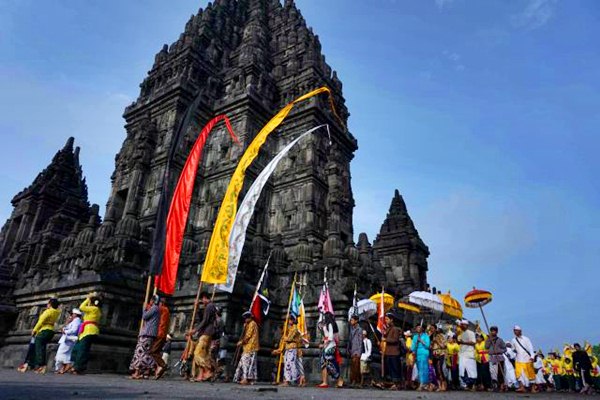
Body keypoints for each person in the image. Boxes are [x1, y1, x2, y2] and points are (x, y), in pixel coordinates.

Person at [69, 293, 102, 374]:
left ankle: (78, 367)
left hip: (88, 330)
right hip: (88, 330)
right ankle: (77, 366)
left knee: (82, 350)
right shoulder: (95, 310)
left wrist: (88, 299)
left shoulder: (94, 309)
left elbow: (81, 307)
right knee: (82, 349)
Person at [130, 294, 160, 379]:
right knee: (147, 353)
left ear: (153, 301)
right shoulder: (157, 309)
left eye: (151, 300)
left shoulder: (154, 308)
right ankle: (147, 371)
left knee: (140, 352)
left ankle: (137, 372)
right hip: (151, 334)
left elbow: (145, 316)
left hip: (147, 333)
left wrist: (144, 308)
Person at [190, 291, 217, 382]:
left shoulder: (210, 306)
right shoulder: (208, 307)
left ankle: (210, 369)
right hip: (205, 332)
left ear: (205, 297)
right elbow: (201, 319)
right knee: (203, 354)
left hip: (206, 333)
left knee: (197, 354)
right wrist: (197, 308)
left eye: (202, 299)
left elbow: (205, 321)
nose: (202, 301)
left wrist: (195, 330)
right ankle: (201, 375)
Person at [30, 298, 61, 373]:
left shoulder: (48, 311)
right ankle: (42, 365)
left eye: (48, 303)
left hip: (44, 330)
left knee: (39, 347)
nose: (47, 305)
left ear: (50, 304)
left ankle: (41, 365)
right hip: (51, 331)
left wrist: (34, 330)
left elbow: (40, 321)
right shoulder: (57, 312)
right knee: (42, 347)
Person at [272, 316, 301, 386]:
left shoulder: (294, 328)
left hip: (292, 348)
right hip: (287, 349)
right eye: (288, 320)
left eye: (290, 320)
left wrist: (285, 338)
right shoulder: (286, 331)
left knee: (291, 364)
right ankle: (287, 381)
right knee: (287, 365)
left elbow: (289, 339)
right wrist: (278, 350)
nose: (288, 322)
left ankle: (295, 379)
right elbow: (283, 342)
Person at [317, 312, 343, 388]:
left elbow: (330, 337)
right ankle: (325, 381)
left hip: (330, 347)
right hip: (326, 347)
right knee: (323, 363)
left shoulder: (330, 324)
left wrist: (323, 344)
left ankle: (339, 379)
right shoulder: (327, 325)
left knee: (331, 364)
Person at [234, 311, 259, 385]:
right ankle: (246, 378)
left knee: (246, 363)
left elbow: (248, 335)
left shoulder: (252, 324)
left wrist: (241, 342)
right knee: (246, 362)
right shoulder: (248, 324)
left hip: (251, 347)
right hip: (248, 347)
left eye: (246, 318)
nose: (245, 320)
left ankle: (245, 378)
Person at [510, 325, 538, 393]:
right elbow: (513, 349)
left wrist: (532, 356)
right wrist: (513, 353)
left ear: (520, 331)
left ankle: (533, 389)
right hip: (519, 360)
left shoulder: (526, 339)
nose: (515, 332)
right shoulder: (513, 340)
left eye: (516, 330)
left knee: (531, 374)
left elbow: (530, 348)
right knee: (519, 374)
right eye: (514, 331)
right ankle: (522, 387)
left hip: (527, 359)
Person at [55, 308, 82, 373]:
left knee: (61, 353)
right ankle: (63, 367)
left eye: (72, 314)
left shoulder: (77, 321)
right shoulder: (74, 321)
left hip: (69, 339)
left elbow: (73, 330)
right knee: (65, 353)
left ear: (75, 314)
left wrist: (65, 331)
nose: (71, 315)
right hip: (67, 339)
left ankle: (66, 365)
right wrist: (67, 322)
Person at [151, 297, 170, 380]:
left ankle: (163, 365)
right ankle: (159, 369)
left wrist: (149, 304)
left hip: (160, 333)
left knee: (153, 351)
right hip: (162, 334)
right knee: (157, 351)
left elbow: (152, 309)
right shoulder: (166, 310)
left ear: (161, 303)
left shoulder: (163, 309)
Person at [485, 326, 507, 391]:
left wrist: (499, 351)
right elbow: (486, 347)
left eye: (494, 331)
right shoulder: (488, 339)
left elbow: (505, 348)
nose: (492, 332)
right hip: (492, 357)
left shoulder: (500, 340)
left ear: (496, 332)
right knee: (492, 372)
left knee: (500, 372)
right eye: (491, 331)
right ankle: (495, 385)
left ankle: (502, 386)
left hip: (499, 357)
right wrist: (489, 340)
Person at [457, 320, 477, 390]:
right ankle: (468, 384)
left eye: (463, 325)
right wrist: (459, 342)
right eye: (461, 325)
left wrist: (463, 342)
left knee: (471, 371)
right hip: (462, 354)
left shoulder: (471, 333)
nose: (461, 326)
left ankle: (472, 385)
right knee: (461, 370)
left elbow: (473, 343)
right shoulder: (461, 334)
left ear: (467, 325)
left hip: (469, 354)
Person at [412, 324, 431, 391]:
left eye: (419, 327)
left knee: (423, 368)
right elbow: (413, 346)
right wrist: (414, 349)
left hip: (424, 353)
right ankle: (422, 383)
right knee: (419, 368)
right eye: (417, 327)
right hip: (417, 354)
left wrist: (422, 341)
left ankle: (422, 383)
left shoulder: (426, 336)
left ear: (422, 328)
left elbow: (428, 346)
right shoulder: (415, 337)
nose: (418, 329)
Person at [347, 315, 363, 387]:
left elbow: (360, 341)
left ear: (356, 321)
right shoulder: (351, 329)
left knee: (356, 366)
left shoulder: (359, 329)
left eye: (352, 320)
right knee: (353, 366)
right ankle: (353, 381)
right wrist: (348, 348)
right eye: (351, 320)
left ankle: (357, 381)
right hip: (352, 349)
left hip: (357, 350)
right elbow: (350, 340)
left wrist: (359, 352)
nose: (351, 321)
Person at [430, 325, 447, 391]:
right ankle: (439, 385)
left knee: (440, 369)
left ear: (436, 329)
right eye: (430, 328)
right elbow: (430, 346)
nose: (431, 329)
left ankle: (443, 384)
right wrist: (432, 343)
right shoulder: (431, 336)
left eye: (432, 328)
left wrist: (437, 341)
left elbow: (443, 346)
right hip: (434, 354)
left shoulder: (441, 336)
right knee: (436, 370)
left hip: (440, 353)